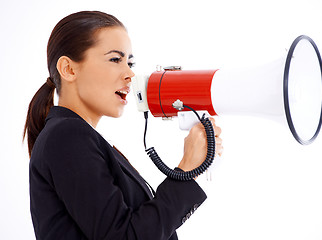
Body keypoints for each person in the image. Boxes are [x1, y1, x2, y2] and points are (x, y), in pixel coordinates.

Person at [23, 11, 223, 240]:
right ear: (69, 69)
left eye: (130, 62)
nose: (130, 74)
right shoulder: (67, 136)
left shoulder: (74, 137)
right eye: (115, 59)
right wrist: (187, 169)